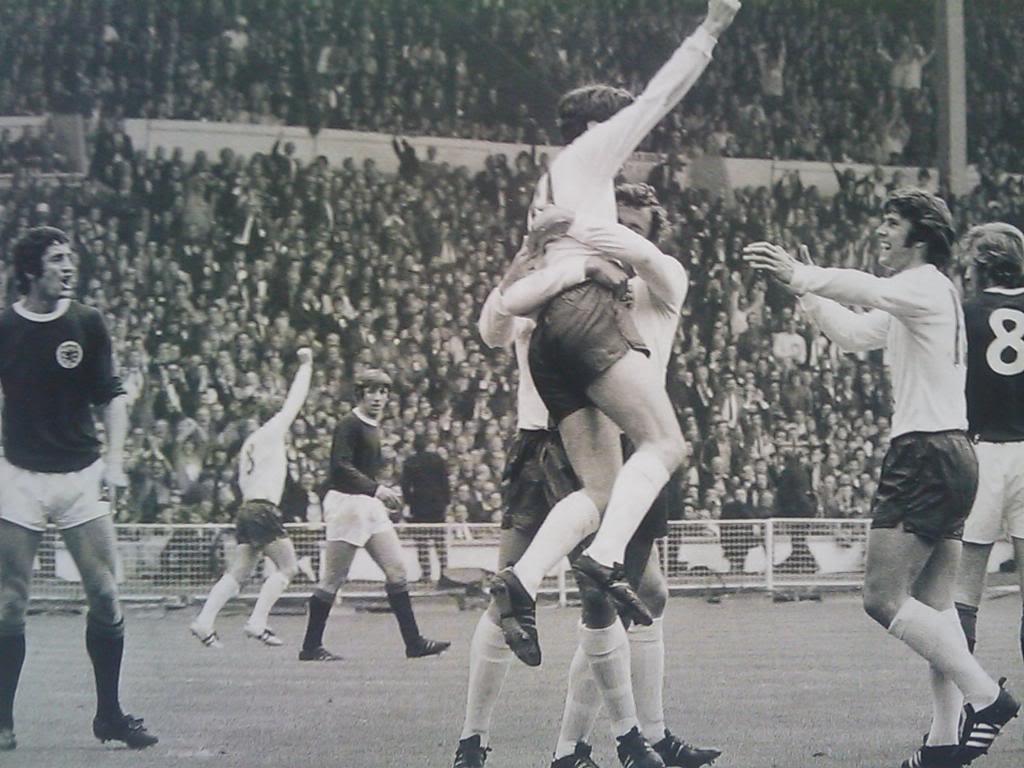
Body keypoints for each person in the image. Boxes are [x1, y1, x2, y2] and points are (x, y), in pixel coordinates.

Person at [490, 0, 741, 671]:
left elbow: (512, 298)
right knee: (665, 442)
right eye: (619, 125)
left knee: (599, 491)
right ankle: (603, 560)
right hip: (586, 315)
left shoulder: (552, 192)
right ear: (598, 126)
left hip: (548, 338)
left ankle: (522, 580)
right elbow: (661, 97)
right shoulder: (585, 159)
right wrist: (710, 29)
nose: (631, 144)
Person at [743, 189, 1019, 768]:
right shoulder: (925, 298)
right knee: (936, 608)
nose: (881, 232)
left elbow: (867, 289)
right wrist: (806, 292)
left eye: (891, 224)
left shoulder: (922, 284)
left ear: (920, 236)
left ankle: (987, 698)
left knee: (881, 598)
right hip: (954, 451)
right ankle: (944, 742)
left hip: (923, 452)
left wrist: (803, 271)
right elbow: (856, 333)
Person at [0, 227, 157, 750]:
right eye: (57, 259)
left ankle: (109, 715)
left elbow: (111, 396)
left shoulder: (87, 323)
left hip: (80, 475)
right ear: (30, 270)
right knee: (8, 603)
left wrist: (114, 460)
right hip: (20, 475)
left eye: (71, 258)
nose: (69, 267)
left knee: (107, 596)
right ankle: (2, 720)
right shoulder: (4, 326)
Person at [298, 369, 449, 661]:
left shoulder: (371, 425)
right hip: (347, 504)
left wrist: (380, 491)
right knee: (333, 579)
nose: (379, 397)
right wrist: (377, 489)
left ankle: (414, 642)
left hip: (367, 504)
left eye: (383, 392)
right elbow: (340, 467)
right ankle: (310, 646)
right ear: (360, 394)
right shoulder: (349, 424)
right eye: (372, 391)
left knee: (397, 571)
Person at [189, 347, 313, 648]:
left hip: (247, 508)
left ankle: (204, 621)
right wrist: (306, 366)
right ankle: (257, 622)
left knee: (239, 571)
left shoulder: (249, 445)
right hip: (262, 509)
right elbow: (295, 401)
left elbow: (243, 483)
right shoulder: (272, 432)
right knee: (288, 568)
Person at [953, 223, 1024, 681]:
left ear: (981, 265)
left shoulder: (966, 313)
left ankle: (966, 700)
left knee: (963, 587)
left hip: (981, 452)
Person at [400, 432, 451, 583]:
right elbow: (445, 482)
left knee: (421, 542)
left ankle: (426, 574)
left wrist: (409, 502)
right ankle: (445, 573)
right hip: (437, 506)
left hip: (419, 505)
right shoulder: (437, 459)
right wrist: (446, 502)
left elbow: (405, 486)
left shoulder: (410, 461)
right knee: (439, 542)